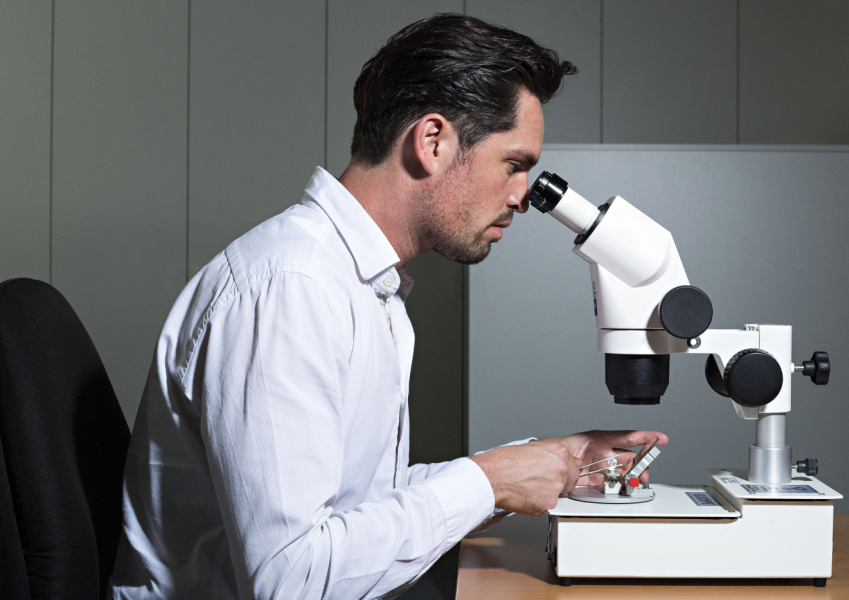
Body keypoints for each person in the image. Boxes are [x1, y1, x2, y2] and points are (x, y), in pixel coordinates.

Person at [108, 14, 667, 600]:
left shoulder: (363, 286)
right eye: (515, 164)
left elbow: (358, 505)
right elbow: (291, 580)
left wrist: (540, 463)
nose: (522, 197)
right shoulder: (290, 289)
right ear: (433, 142)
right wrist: (488, 481)